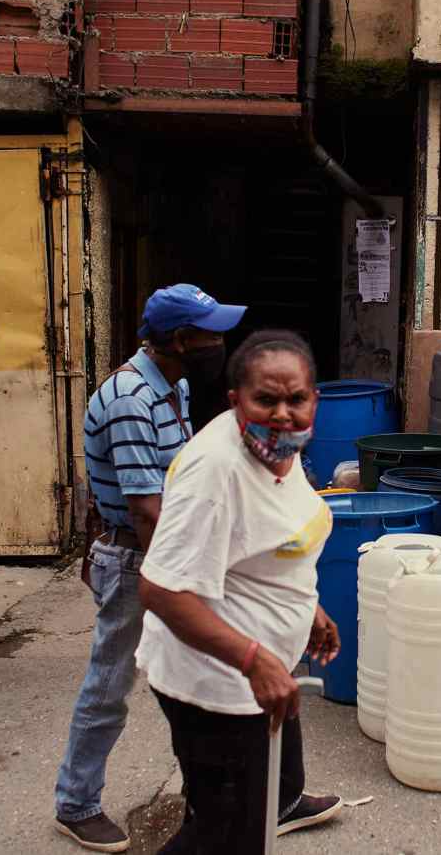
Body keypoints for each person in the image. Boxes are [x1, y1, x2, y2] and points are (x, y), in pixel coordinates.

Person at [55, 284, 246, 853]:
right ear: (181, 339)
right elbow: (146, 510)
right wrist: (181, 580)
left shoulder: (173, 385)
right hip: (142, 559)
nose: (220, 341)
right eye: (211, 332)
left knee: (194, 679)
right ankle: (76, 802)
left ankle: (214, 794)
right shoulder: (133, 400)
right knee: (111, 683)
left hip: (167, 551)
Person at [136, 329, 344, 854]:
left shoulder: (282, 446)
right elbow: (161, 589)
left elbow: (264, 544)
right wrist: (254, 660)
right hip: (219, 686)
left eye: (296, 399)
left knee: (276, 792)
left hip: (262, 673)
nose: (282, 413)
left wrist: (308, 605)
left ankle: (268, 808)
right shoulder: (217, 470)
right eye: (265, 400)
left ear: (314, 398)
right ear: (236, 402)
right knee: (226, 835)